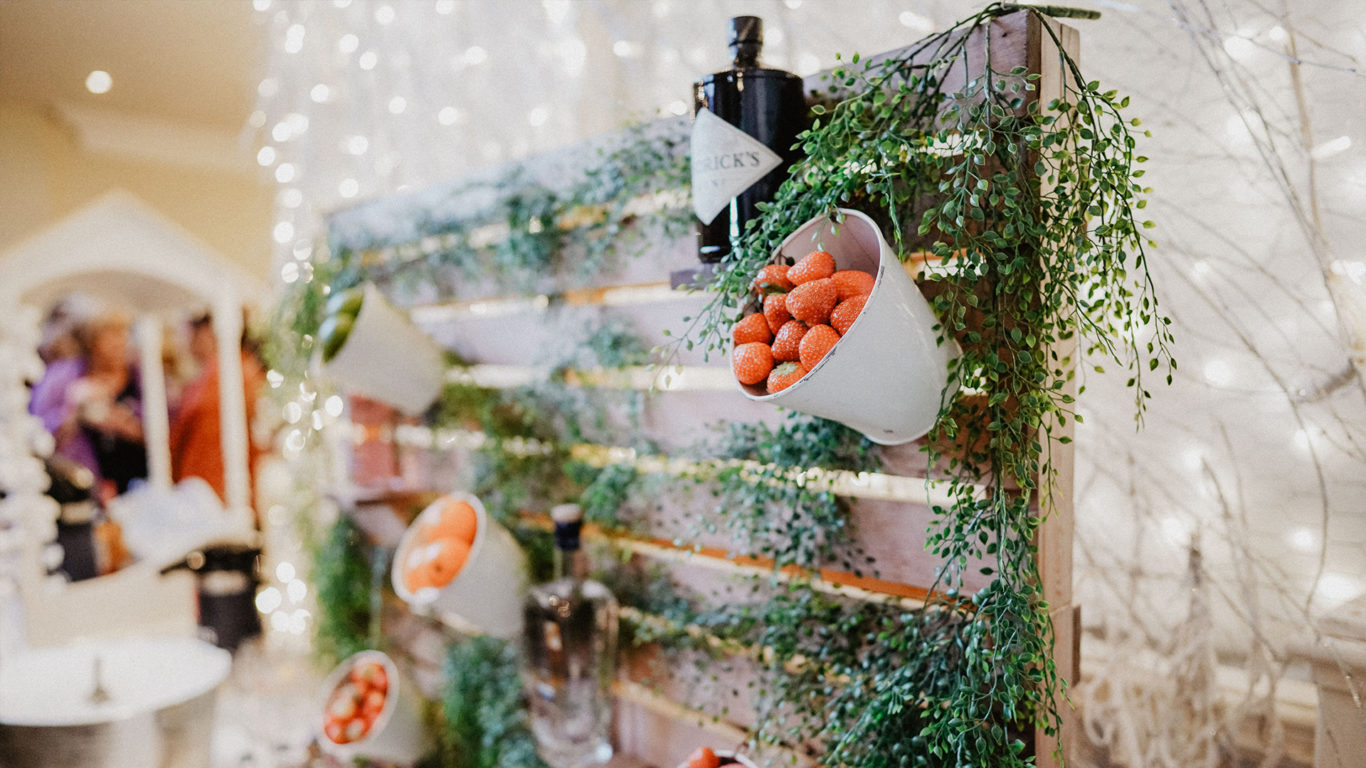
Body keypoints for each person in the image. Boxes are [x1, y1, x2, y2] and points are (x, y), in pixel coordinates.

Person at [30, 305, 147, 504]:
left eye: (123, 333)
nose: (119, 342)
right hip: (81, 489)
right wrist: (72, 411)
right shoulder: (62, 377)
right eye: (110, 334)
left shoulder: (141, 377)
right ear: (92, 339)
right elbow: (36, 436)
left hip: (138, 488)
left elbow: (167, 434)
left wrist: (123, 424)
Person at [168, 312, 266, 513]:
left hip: (211, 496)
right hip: (223, 493)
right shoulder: (247, 370)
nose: (183, 342)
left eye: (185, 332)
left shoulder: (221, 376)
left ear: (205, 332)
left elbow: (177, 442)